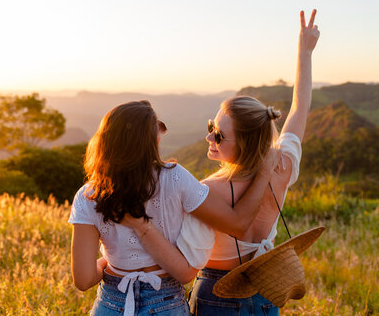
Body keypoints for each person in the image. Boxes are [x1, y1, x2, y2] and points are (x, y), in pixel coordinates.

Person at [122, 10, 320, 315]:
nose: (209, 138)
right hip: (267, 285)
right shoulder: (282, 167)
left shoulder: (207, 191)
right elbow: (299, 109)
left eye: (218, 135)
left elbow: (183, 260)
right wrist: (304, 52)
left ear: (243, 143)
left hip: (218, 293)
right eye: (211, 127)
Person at [68, 100, 278, 316]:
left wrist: (107, 263)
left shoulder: (87, 196)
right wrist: (263, 170)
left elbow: (83, 280)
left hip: (111, 303)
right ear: (151, 140)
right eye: (157, 127)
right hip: (165, 303)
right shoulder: (176, 178)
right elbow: (238, 224)